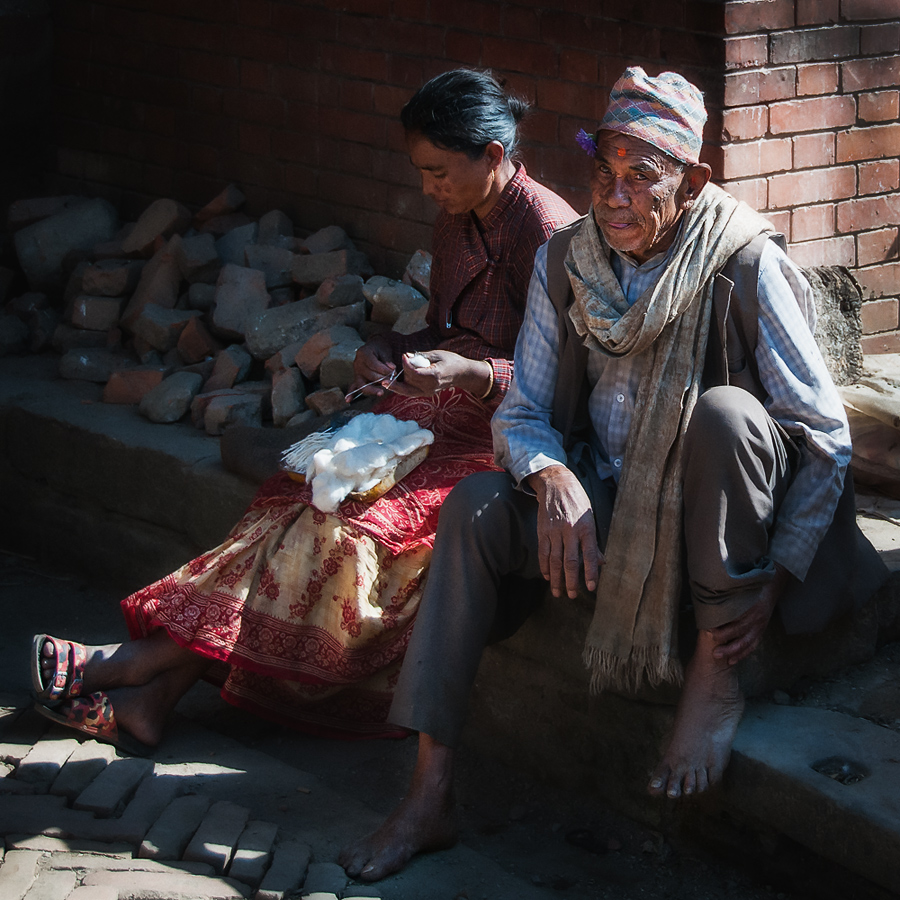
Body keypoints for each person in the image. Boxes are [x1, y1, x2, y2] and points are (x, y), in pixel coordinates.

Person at [339, 67, 887, 881]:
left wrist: (781, 573)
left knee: (728, 413)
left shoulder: (744, 263)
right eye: (604, 174)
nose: (617, 198)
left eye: (642, 178)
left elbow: (823, 435)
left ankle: (716, 671)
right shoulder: (569, 259)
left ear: (692, 181)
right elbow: (522, 412)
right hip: (607, 497)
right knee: (478, 507)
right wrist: (553, 477)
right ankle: (430, 793)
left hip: (720, 516)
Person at [30, 69, 578, 753]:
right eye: (422, 172)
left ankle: (140, 669)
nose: (427, 188)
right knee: (295, 504)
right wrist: (385, 347)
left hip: (505, 446)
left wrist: (474, 374)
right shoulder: (454, 221)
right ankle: (149, 697)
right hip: (427, 421)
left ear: (493, 156)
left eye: (438, 172)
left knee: (339, 535)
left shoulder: (553, 235)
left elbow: (565, 386)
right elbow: (438, 329)